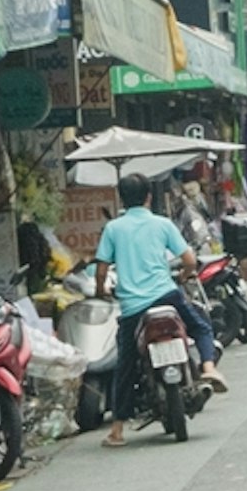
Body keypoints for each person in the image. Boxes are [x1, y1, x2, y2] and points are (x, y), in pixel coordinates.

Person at [94, 173, 205, 447]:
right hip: (167, 297)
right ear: (148, 197)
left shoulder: (113, 229)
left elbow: (101, 270)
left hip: (133, 309)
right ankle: (208, 370)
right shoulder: (162, 223)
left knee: (125, 366)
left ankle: (117, 430)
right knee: (200, 327)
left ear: (122, 198)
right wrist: (184, 277)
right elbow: (189, 260)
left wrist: (101, 290)